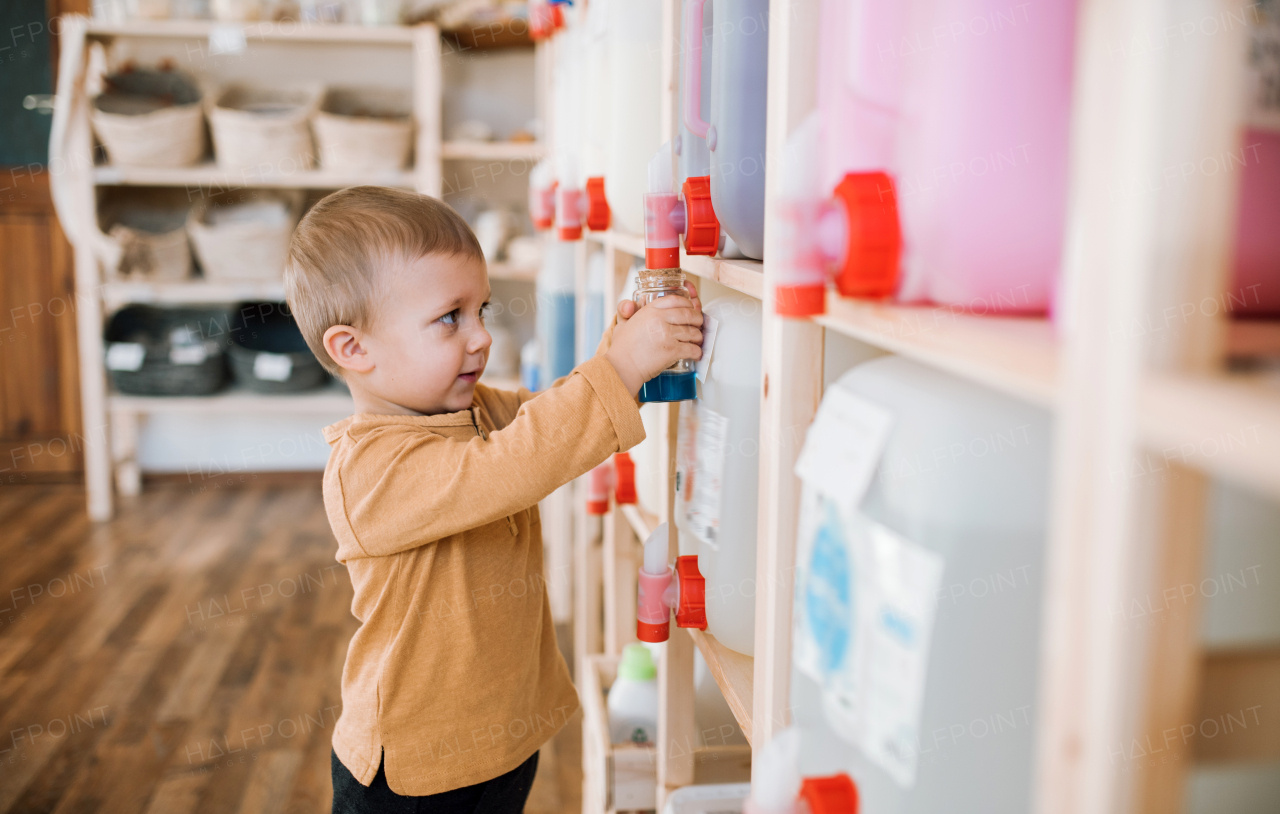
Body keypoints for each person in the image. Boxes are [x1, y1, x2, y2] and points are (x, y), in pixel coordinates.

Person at [284, 186, 703, 813]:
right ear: (354, 349)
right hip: (412, 773)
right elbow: (516, 463)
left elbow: (555, 420)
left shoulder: (475, 408)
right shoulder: (369, 470)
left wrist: (626, 361)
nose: (480, 336)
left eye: (480, 309)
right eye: (450, 317)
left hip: (499, 745)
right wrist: (615, 371)